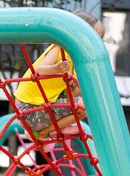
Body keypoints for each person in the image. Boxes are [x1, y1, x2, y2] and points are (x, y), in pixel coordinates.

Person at [14, 10, 105, 145]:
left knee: (86, 98)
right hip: (27, 109)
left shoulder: (74, 61)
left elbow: (73, 91)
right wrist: (56, 69)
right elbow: (38, 70)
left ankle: (58, 127)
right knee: (83, 107)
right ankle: (46, 131)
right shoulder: (59, 50)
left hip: (41, 107)